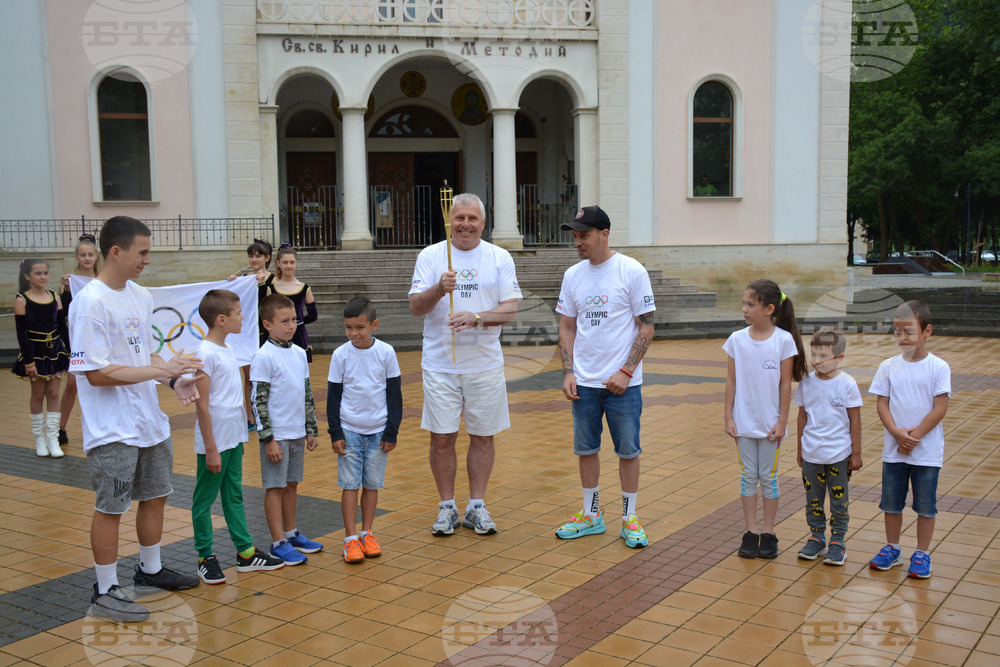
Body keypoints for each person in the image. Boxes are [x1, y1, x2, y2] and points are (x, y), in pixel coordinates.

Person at [69, 215, 203, 622]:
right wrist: (159, 371)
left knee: (156, 493)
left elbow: (148, 354)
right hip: (112, 427)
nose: (147, 259)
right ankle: (105, 587)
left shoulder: (140, 296)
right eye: (142, 252)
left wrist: (173, 378)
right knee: (112, 505)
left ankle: (150, 569)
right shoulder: (90, 302)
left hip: (149, 420)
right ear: (117, 251)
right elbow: (95, 372)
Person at [408, 192, 522, 536]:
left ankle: (476, 505)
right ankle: (446, 507)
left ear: (483, 223)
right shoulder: (431, 256)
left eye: (473, 219)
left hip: (484, 364)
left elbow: (511, 309)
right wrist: (439, 289)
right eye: (460, 218)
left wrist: (476, 317)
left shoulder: (499, 257)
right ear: (449, 220)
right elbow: (416, 306)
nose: (466, 224)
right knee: (442, 438)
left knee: (483, 437)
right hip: (441, 365)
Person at [552, 206, 656, 548]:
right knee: (587, 449)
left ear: (604, 234)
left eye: (584, 235)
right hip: (583, 382)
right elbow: (567, 325)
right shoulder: (573, 276)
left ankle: (629, 518)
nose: (578, 242)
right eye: (575, 236)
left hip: (623, 385)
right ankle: (591, 514)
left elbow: (647, 325)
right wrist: (568, 371)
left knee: (628, 451)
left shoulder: (631, 271)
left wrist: (626, 371)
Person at [191, 289, 285, 584]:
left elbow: (233, 398)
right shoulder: (204, 354)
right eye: (238, 313)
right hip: (215, 442)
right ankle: (205, 557)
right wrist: (211, 447)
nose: (243, 317)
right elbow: (202, 404)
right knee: (204, 499)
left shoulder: (227, 349)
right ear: (221, 319)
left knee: (233, 494)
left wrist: (242, 434)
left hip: (232, 438)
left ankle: (245, 553)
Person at [723, 279, 807, 559]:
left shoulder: (784, 340)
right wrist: (728, 417)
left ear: (769, 309)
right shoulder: (736, 339)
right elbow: (731, 381)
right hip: (744, 423)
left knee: (768, 479)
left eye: (751, 304)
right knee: (748, 477)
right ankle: (751, 532)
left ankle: (769, 533)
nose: (744, 309)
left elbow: (786, 384)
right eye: (744, 303)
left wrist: (783, 420)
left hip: (771, 425)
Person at [868, 301, 950, 579]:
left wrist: (913, 437)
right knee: (891, 504)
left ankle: (922, 553)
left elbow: (939, 408)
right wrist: (896, 433)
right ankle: (893, 548)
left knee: (926, 506)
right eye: (897, 331)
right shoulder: (888, 366)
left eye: (908, 331)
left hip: (925, 452)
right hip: (894, 452)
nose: (901, 338)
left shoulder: (938, 366)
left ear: (927, 331)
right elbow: (882, 404)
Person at [327, 297, 402, 563]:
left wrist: (391, 431)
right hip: (349, 430)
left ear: (374, 325)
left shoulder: (386, 352)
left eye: (360, 327)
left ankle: (367, 533)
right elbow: (333, 396)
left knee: (372, 484)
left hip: (379, 431)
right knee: (349, 485)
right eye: (348, 328)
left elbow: (394, 394)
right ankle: (350, 539)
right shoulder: (340, 354)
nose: (353, 334)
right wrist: (335, 432)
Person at [251, 293, 321, 565]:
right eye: (284, 321)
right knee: (275, 486)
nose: (292, 325)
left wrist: (311, 428)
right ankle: (278, 541)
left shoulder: (299, 353)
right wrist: (268, 439)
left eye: (294, 319)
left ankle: (291, 533)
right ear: (267, 324)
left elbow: (306, 392)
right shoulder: (263, 357)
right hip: (277, 436)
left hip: (296, 433)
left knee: (292, 484)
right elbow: (258, 400)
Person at [794, 326, 863, 566]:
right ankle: (816, 538)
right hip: (811, 454)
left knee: (838, 501)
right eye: (813, 355)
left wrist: (856, 453)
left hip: (839, 455)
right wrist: (800, 449)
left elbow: (855, 420)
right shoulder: (806, 383)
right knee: (813, 499)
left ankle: (837, 541)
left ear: (839, 358)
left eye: (824, 356)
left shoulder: (847, 384)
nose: (816, 361)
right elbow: (802, 416)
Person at [12, 258, 69, 457]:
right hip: (35, 353)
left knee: (53, 393)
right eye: (38, 273)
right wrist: (29, 361)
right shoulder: (22, 300)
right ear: (27, 276)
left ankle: (53, 438)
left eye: (45, 273)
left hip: (54, 351)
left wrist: (69, 351)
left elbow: (62, 327)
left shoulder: (55, 297)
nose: (43, 277)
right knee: (37, 394)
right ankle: (39, 438)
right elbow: (22, 334)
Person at [57, 233, 102, 446]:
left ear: (96, 256)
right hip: (77, 339)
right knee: (73, 383)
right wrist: (66, 291)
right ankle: (60, 427)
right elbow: (64, 312)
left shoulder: (103, 280)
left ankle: (96, 426)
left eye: (90, 254)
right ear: (77, 257)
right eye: (83, 255)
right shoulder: (71, 282)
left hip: (100, 339)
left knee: (98, 382)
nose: (87, 258)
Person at [227, 238, 275, 431]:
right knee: (248, 376)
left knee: (267, 375)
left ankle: (268, 413)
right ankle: (250, 417)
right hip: (247, 333)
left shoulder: (273, 280)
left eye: (258, 255)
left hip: (265, 332)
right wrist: (232, 283)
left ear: (267, 258)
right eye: (251, 255)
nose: (254, 259)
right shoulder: (244, 280)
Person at [267, 244, 317, 362]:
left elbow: (313, 315)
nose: (288, 266)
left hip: (298, 335)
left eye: (291, 262)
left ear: (296, 263)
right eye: (285, 262)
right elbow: (267, 315)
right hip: (278, 336)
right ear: (278, 263)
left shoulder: (304, 288)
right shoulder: (272, 289)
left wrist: (297, 323)